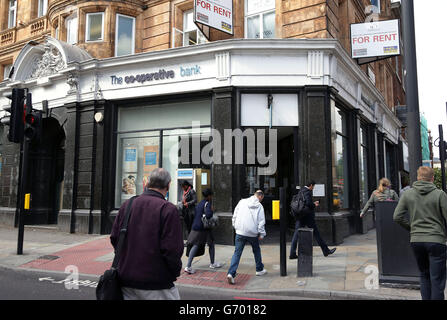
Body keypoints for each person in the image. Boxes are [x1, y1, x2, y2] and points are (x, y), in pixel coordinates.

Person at [110, 168, 184, 300]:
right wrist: (174, 272)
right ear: (168, 185)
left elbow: (115, 238)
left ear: (147, 184)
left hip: (126, 281)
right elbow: (172, 250)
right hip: (156, 283)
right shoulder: (168, 209)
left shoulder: (127, 205)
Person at [394, 167, 447, 300]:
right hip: (436, 241)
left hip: (417, 241)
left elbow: (397, 217)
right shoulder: (440, 194)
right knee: (437, 280)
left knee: (424, 275)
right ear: (432, 178)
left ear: (417, 177)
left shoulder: (408, 194)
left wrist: (412, 228)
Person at [227, 190, 267, 285]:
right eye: (262, 198)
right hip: (252, 233)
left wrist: (235, 226)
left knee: (237, 253)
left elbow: (235, 215)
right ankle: (259, 269)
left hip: (240, 232)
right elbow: (261, 222)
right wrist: (262, 234)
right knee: (256, 250)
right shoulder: (260, 207)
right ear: (260, 196)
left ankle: (231, 273)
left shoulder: (242, 202)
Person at [289, 181, 336, 259]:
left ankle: (292, 253)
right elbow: (308, 204)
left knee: (296, 235)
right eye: (313, 186)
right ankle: (326, 251)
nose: (313, 188)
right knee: (317, 234)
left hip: (300, 216)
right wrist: (314, 204)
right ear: (311, 185)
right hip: (307, 217)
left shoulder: (301, 190)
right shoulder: (307, 192)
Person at [184, 188, 222, 274]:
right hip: (202, 228)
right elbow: (208, 215)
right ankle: (188, 266)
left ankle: (212, 263)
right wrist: (212, 210)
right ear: (208, 196)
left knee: (211, 243)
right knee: (197, 245)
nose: (211, 197)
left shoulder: (200, 203)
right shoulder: (207, 203)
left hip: (197, 226)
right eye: (211, 195)